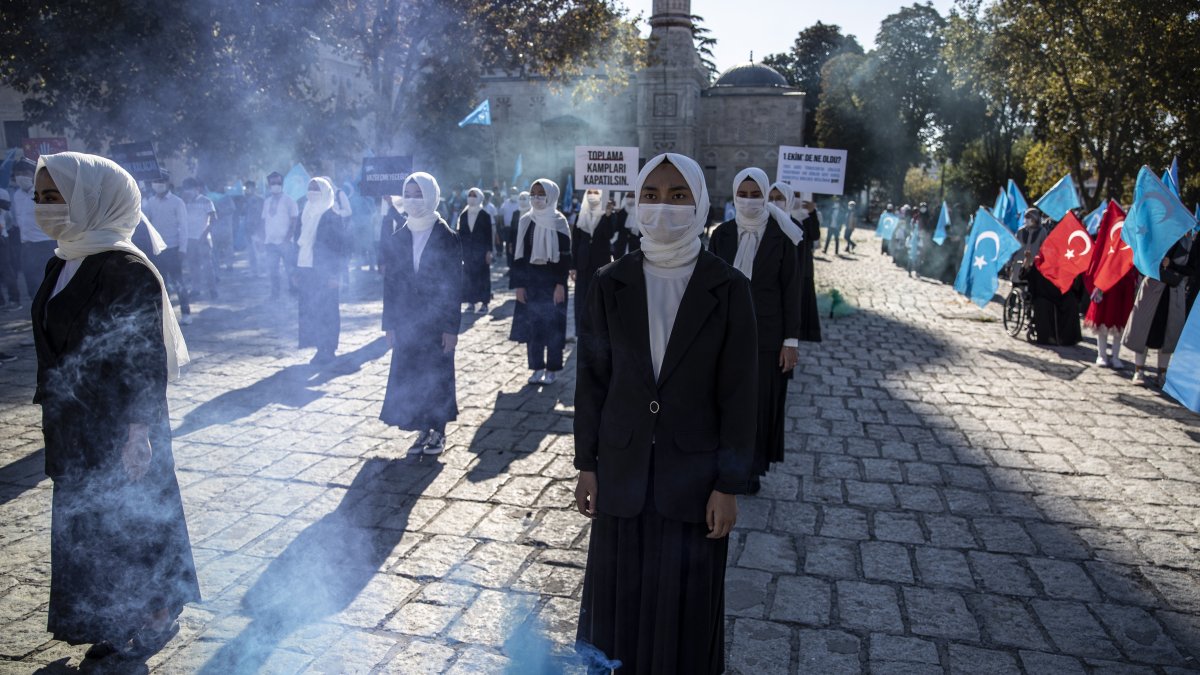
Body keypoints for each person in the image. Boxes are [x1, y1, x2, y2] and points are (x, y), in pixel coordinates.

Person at [573, 152, 756, 674]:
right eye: (651, 195)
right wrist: (587, 464)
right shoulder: (611, 283)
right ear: (635, 201)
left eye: (679, 196)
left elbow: (740, 394)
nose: (664, 207)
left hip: (693, 483)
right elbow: (592, 382)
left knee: (685, 605)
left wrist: (728, 484)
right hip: (623, 473)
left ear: (700, 203)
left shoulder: (728, 288)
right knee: (619, 599)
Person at [30, 152, 198, 660]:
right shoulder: (61, 258)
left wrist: (137, 431)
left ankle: (153, 614)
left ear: (91, 198)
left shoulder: (127, 269)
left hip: (120, 424)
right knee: (87, 526)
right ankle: (104, 619)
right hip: (71, 423)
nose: (43, 207)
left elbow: (143, 358)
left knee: (131, 523)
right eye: (40, 197)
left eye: (53, 196)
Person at [710, 168, 801, 489]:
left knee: (759, 402)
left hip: (767, 336)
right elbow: (709, 287)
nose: (749, 202)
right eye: (743, 195)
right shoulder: (720, 235)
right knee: (726, 399)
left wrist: (790, 341)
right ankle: (723, 465)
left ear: (766, 196)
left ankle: (750, 469)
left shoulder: (782, 236)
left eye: (756, 195)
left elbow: (792, 290)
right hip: (727, 333)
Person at [380, 172, 462, 456]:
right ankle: (421, 428)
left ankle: (438, 430)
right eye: (409, 194)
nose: (414, 200)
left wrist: (452, 328)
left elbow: (453, 286)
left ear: (431, 195)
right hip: (407, 321)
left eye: (419, 194)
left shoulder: (446, 236)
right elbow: (390, 284)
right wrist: (389, 325)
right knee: (412, 375)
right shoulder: (399, 235)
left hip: (436, 321)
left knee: (436, 374)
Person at [510, 179, 571, 385]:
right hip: (531, 280)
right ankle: (536, 367)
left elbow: (564, 255)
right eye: (533, 193)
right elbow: (518, 255)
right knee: (533, 326)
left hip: (553, 280)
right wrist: (519, 285)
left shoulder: (559, 221)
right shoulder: (526, 220)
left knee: (553, 326)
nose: (536, 198)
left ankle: (552, 369)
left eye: (541, 193)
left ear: (551, 195)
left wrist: (560, 284)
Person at [296, 177, 348, 366]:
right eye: (309, 188)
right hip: (307, 268)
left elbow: (339, 248)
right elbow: (299, 242)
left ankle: (329, 348)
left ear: (326, 192)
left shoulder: (331, 216)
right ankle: (319, 347)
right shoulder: (305, 213)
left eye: (316, 189)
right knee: (313, 309)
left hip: (326, 272)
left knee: (328, 310)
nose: (312, 192)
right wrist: (297, 271)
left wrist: (335, 275)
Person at [1125, 240, 1192, 386]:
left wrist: (1172, 265)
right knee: (1143, 329)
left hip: (1173, 292)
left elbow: (1193, 269)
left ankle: (1162, 373)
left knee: (1169, 333)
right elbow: (1141, 258)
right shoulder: (1158, 235)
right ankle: (1139, 370)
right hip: (1151, 288)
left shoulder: (1189, 242)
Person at [1083, 207, 1137, 368]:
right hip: (1105, 286)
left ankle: (1115, 356)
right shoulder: (1106, 243)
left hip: (1123, 287)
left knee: (1119, 323)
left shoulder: (1130, 243)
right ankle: (1101, 355)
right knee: (1102, 322)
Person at [142, 173, 193, 325]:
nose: (158, 184)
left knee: (179, 282)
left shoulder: (177, 202)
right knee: (161, 284)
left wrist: (183, 249)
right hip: (157, 249)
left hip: (173, 248)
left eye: (161, 181)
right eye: (155, 181)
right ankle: (167, 318)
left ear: (167, 183)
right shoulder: (150, 202)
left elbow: (183, 227)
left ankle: (186, 313)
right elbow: (146, 222)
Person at [570, 188, 614, 340]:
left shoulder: (607, 215)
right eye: (590, 193)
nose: (592, 196)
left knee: (598, 298)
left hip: (600, 263)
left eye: (596, 193)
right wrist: (573, 266)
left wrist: (608, 216)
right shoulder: (580, 216)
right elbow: (575, 242)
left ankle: (599, 331)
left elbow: (609, 235)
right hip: (583, 264)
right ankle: (580, 331)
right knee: (581, 298)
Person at [13, 159, 58, 301]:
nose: (21, 176)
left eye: (25, 172)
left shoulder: (45, 193)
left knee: (50, 282)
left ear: (33, 174)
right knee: (32, 282)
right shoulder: (17, 195)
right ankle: (38, 312)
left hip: (45, 244)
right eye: (17, 173)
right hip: (26, 246)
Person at [261, 171, 300, 298]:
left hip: (286, 242)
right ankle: (275, 294)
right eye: (273, 183)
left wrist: (287, 239)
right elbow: (264, 220)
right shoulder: (266, 202)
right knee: (273, 270)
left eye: (278, 183)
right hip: (270, 242)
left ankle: (294, 291)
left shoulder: (289, 201)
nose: (275, 185)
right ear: (269, 184)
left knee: (290, 269)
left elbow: (294, 221)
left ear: (282, 184)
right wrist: (263, 238)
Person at [179, 178, 218, 301]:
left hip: (203, 239)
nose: (188, 192)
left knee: (207, 266)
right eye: (186, 189)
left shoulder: (206, 201)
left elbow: (214, 219)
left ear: (197, 189)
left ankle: (212, 290)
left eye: (190, 189)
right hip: (189, 239)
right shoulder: (183, 202)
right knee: (193, 265)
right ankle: (196, 289)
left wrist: (204, 234)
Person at [458, 187, 493, 313]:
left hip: (482, 252)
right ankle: (471, 303)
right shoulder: (463, 215)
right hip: (468, 253)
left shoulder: (485, 215)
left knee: (483, 277)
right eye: (470, 195)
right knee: (469, 277)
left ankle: (484, 303)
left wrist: (489, 252)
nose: (471, 198)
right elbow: (460, 234)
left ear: (479, 198)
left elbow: (489, 234)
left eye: (474, 195)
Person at [241, 180, 265, 277]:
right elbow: (243, 213)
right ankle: (254, 271)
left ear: (254, 188)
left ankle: (261, 271)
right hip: (248, 228)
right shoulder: (246, 200)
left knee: (259, 252)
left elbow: (261, 215)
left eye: (250, 187)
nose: (248, 190)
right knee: (251, 251)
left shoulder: (259, 200)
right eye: (247, 188)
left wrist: (260, 229)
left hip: (257, 228)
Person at [504, 190, 531, 268]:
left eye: (524, 199)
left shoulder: (533, 213)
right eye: (521, 199)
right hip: (516, 241)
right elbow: (512, 229)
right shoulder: (515, 213)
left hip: (528, 243)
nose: (522, 201)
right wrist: (510, 243)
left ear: (529, 199)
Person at [610, 193, 639, 259]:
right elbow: (615, 228)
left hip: (636, 246)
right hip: (621, 245)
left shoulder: (640, 212)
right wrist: (616, 214)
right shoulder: (621, 212)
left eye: (632, 196)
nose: (630, 198)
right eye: (628, 196)